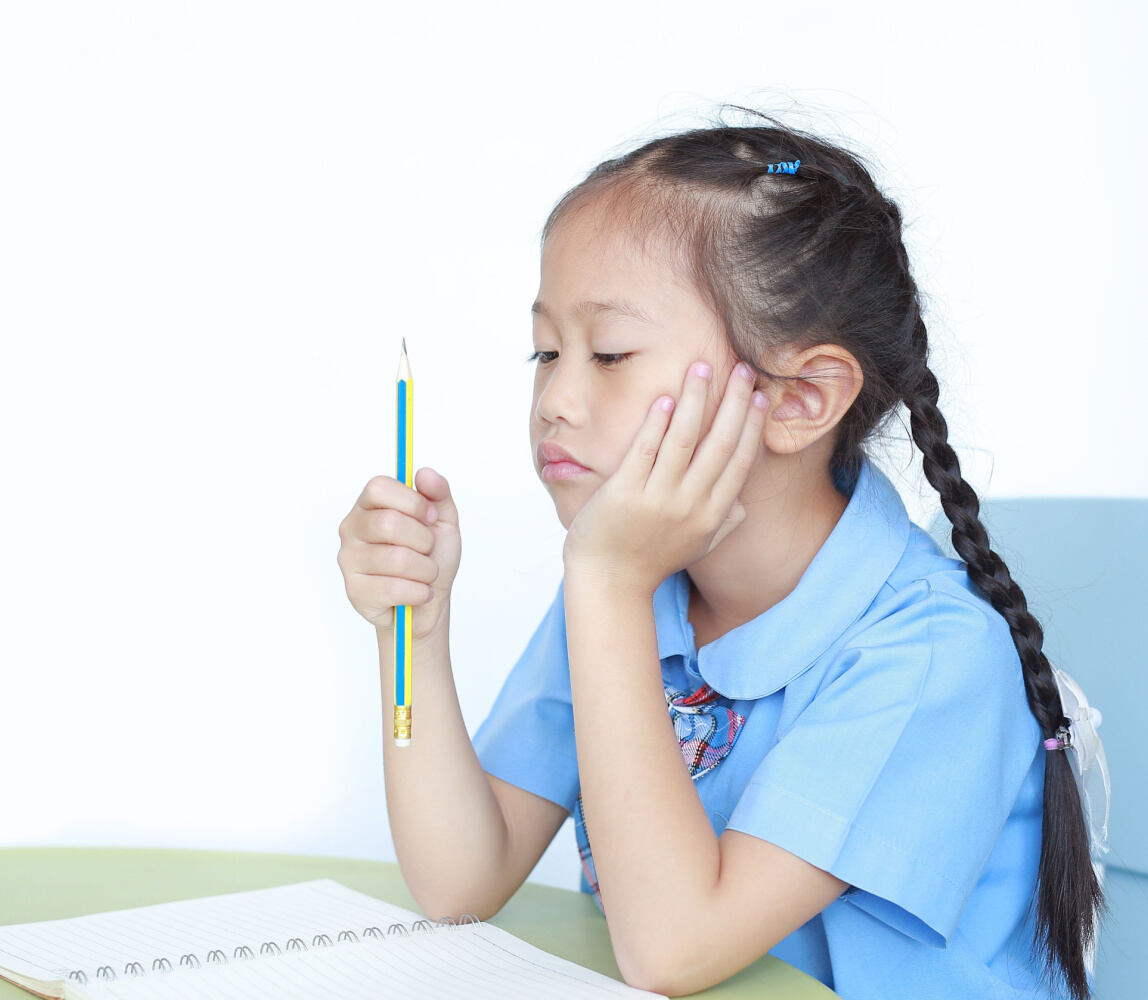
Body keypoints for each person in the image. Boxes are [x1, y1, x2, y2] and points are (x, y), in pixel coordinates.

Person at [335, 108, 1104, 1000]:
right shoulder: (630, 583)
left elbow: (672, 951)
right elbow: (459, 882)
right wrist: (413, 632)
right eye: (546, 350)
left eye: (611, 353)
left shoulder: (931, 657)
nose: (556, 400)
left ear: (800, 399)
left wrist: (609, 585)